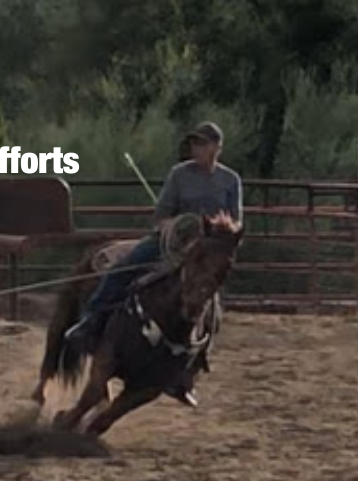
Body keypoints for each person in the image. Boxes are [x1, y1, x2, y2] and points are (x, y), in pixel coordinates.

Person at [63, 121, 243, 407]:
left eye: (202, 144)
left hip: (204, 254)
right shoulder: (179, 175)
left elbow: (235, 224)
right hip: (168, 243)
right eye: (194, 143)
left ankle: (188, 371)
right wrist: (175, 227)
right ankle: (90, 322)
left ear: (216, 148)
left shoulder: (231, 181)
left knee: (212, 311)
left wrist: (218, 238)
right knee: (122, 270)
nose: (196, 149)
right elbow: (160, 216)